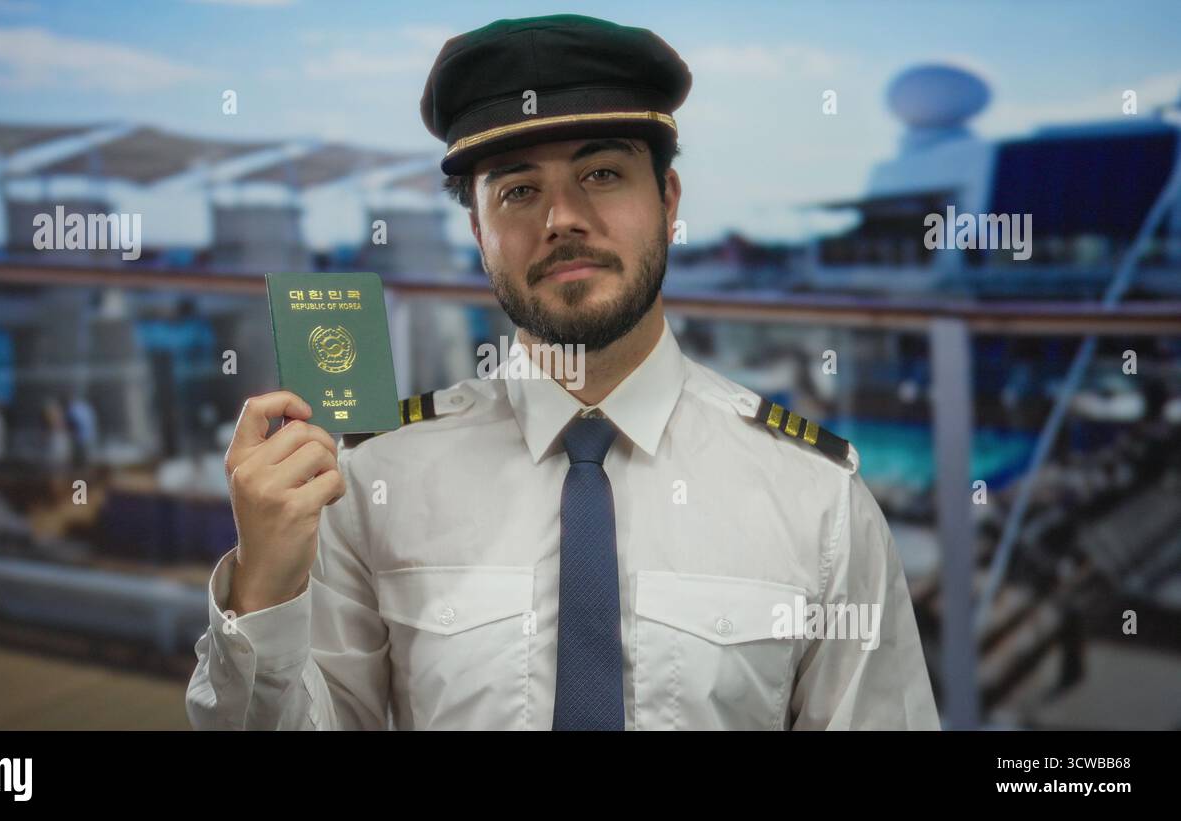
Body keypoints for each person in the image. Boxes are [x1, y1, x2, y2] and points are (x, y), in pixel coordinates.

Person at [186, 14, 939, 730]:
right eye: (518, 190)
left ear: (669, 200)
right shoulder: (375, 478)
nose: (562, 218)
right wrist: (264, 591)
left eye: (603, 174)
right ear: (479, 232)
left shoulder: (816, 500)